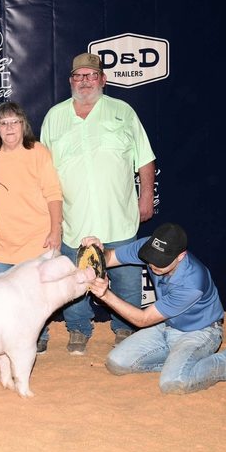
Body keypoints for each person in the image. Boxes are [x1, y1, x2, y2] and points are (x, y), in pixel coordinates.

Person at [41, 52, 156, 355]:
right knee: (74, 281)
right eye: (79, 76)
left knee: (127, 279)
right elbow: (44, 171)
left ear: (103, 79)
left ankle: (125, 330)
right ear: (71, 81)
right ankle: (78, 329)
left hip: (117, 217)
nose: (85, 81)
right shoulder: (55, 116)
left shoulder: (123, 111)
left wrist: (146, 197)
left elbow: (145, 160)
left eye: (91, 75)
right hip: (73, 219)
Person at [83, 223, 226, 394]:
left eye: (160, 261)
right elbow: (110, 257)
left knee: (173, 383)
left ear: (181, 256)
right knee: (116, 363)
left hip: (199, 333)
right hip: (166, 325)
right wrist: (98, 251)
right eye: (151, 258)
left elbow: (143, 319)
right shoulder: (149, 247)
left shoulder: (192, 282)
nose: (153, 265)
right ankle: (179, 363)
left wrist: (106, 295)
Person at [0, 102, 64, 354]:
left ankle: (39, 335)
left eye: (14, 122)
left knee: (37, 296)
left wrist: (55, 230)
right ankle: (3, 341)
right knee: (1, 298)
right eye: (3, 123)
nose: (9, 128)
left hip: (35, 239)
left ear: (23, 125)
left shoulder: (39, 152)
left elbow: (53, 193)